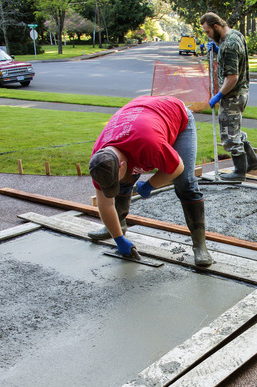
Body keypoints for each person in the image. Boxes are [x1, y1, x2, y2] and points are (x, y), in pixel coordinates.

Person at [88, 95, 213, 267]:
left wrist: (150, 185)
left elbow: (177, 167)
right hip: (141, 117)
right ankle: (118, 229)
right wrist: (118, 239)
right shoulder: (101, 161)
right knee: (123, 181)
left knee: (185, 183)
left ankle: (200, 245)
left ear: (123, 164)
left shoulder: (148, 145)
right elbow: (105, 204)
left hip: (174, 116)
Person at [200, 11, 257, 182]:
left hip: (232, 96)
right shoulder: (235, 36)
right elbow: (234, 60)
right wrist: (219, 51)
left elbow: (232, 77)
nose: (208, 36)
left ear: (216, 26)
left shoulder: (229, 45)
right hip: (241, 93)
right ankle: (252, 162)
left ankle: (239, 172)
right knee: (235, 130)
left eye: (208, 32)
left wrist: (219, 95)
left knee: (229, 135)